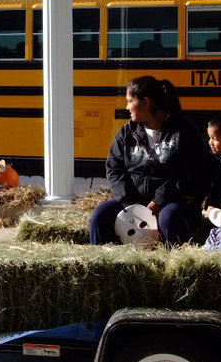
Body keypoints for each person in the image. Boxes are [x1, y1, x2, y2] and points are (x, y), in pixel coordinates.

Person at [89, 76, 209, 246]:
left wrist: (159, 201)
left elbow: (191, 173)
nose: (127, 107)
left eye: (130, 101)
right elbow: (114, 170)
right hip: (133, 202)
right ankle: (103, 260)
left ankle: (174, 261)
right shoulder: (126, 132)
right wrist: (133, 204)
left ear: (145, 102)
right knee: (100, 216)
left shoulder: (184, 130)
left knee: (168, 218)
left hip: (172, 202)